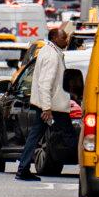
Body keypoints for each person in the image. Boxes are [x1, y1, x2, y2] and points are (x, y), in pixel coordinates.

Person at [14, 27, 73, 181]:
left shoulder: (48, 52)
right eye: (63, 38)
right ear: (54, 38)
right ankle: (89, 168)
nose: (66, 41)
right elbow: (45, 84)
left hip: (49, 106)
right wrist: (46, 108)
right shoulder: (52, 56)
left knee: (35, 136)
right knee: (71, 138)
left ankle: (23, 169)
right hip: (53, 107)